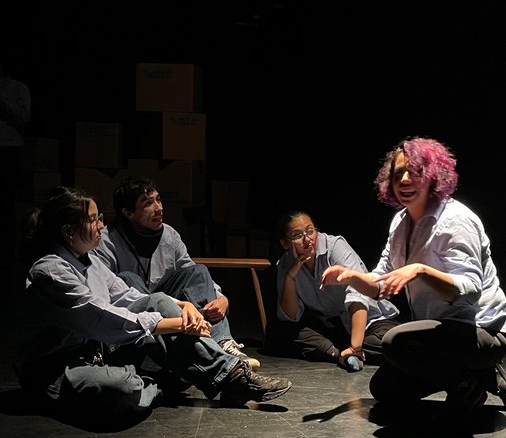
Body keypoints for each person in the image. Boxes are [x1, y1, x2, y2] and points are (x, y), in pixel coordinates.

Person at [16, 187, 292, 424]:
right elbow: (102, 319)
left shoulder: (91, 260)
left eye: (99, 217)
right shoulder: (51, 272)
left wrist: (183, 305)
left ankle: (231, 376)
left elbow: (128, 296)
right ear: (68, 230)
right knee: (123, 388)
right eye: (92, 219)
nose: (100, 224)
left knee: (157, 300)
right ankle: (160, 381)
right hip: (59, 370)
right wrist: (178, 325)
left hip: (99, 351)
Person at [321, 137, 506, 420]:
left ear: (433, 176)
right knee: (384, 389)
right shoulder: (401, 223)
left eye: (415, 172)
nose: (405, 179)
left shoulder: (456, 220)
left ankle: (471, 381)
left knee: (395, 341)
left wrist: (420, 270)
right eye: (398, 174)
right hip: (440, 336)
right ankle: (475, 375)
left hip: (480, 331)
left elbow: (469, 291)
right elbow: (381, 284)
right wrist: (352, 277)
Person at [92, 176, 260, 370]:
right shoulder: (107, 241)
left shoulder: (169, 234)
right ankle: (192, 354)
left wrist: (221, 298)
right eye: (148, 203)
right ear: (128, 212)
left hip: (168, 303)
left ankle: (223, 343)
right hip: (133, 313)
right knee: (128, 278)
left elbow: (189, 270)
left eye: (158, 200)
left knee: (197, 271)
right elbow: (106, 294)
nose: (159, 208)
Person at [271, 211, 400, 368]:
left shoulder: (334, 247)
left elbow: (357, 295)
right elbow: (291, 316)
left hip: (369, 322)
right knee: (279, 334)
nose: (307, 239)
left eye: (310, 231)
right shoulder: (285, 263)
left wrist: (355, 346)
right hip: (334, 327)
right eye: (297, 235)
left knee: (387, 343)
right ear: (285, 243)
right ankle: (340, 354)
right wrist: (290, 277)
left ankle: (351, 351)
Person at [0, 54, 31, 288]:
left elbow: (24, 119)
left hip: (8, 150)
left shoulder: (18, 89)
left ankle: (8, 260)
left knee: (7, 206)